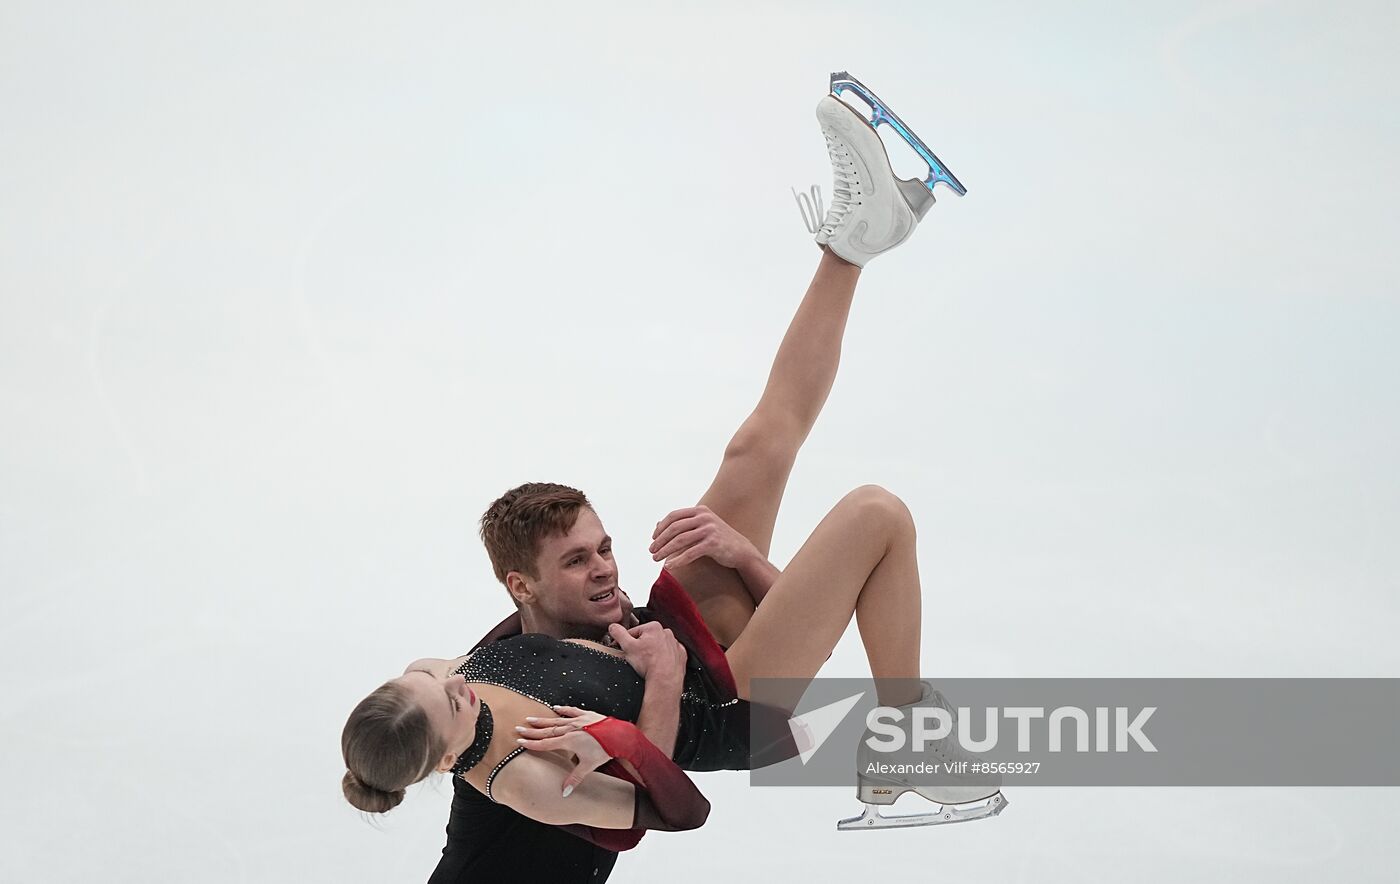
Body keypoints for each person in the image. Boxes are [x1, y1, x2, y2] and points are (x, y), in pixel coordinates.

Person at [341, 83, 999, 881]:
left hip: (671, 645)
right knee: (877, 516)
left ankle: (856, 241)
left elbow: (433, 679)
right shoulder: (519, 770)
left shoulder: (443, 678)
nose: (606, 566)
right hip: (726, 710)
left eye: (600, 548)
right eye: (578, 562)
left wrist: (728, 557)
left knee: (756, 449)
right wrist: (666, 672)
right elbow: (666, 803)